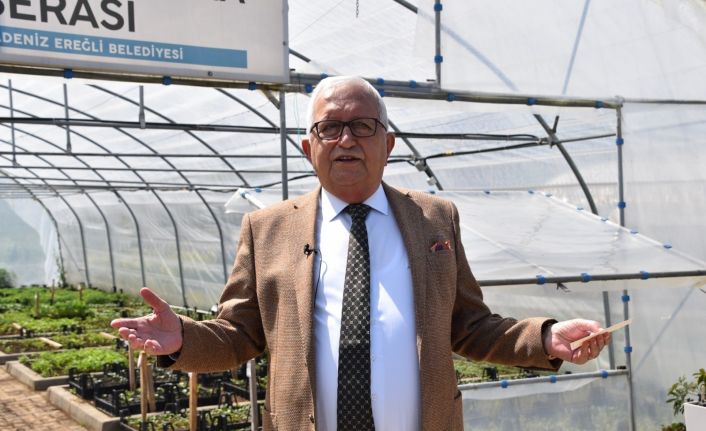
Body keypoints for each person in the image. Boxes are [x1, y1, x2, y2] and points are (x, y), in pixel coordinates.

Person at [111, 76, 610, 431]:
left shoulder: (435, 219)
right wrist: (183, 340)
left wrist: (545, 337)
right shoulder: (267, 229)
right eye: (329, 128)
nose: (346, 139)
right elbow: (241, 334)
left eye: (363, 126)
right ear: (309, 148)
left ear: (388, 144)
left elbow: (469, 325)